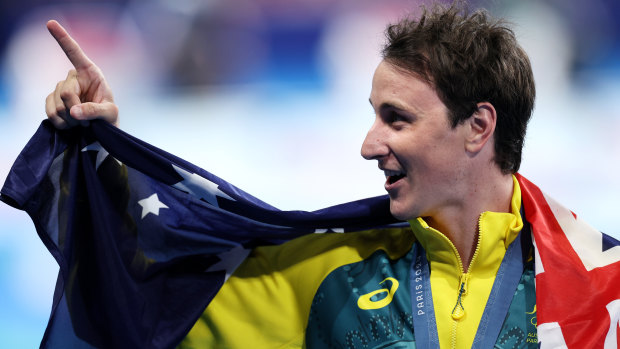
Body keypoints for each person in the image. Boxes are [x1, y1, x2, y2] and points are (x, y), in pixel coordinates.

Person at [37, 2, 620, 348]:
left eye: (397, 119)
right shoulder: (327, 275)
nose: (369, 145)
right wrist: (98, 154)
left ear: (477, 127)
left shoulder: (607, 288)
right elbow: (146, 302)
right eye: (373, 115)